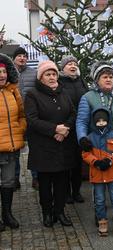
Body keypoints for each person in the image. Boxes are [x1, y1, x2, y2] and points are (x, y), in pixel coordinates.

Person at [76, 61, 113, 209]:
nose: (109, 79)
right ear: (97, 80)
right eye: (105, 77)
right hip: (98, 145)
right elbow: (82, 121)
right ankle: (100, 206)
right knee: (98, 176)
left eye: (111, 77)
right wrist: (82, 138)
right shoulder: (88, 97)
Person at [25, 60, 76, 227]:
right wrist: (55, 129)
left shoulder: (63, 92)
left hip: (63, 145)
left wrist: (66, 129)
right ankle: (47, 213)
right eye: (48, 74)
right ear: (41, 78)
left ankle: (59, 212)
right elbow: (32, 120)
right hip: (43, 147)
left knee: (62, 182)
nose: (52, 77)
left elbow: (72, 113)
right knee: (45, 183)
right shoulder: (33, 95)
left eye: (54, 74)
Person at [82, 108, 113, 237]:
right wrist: (95, 162)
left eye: (103, 120)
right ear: (94, 122)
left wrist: (110, 160)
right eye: (98, 121)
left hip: (112, 174)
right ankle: (102, 221)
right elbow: (85, 154)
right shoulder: (89, 138)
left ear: (108, 121)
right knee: (99, 200)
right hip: (97, 175)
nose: (101, 123)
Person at [0, 53, 26, 231]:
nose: (1, 75)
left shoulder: (13, 91)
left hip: (10, 146)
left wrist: (20, 129)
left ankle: (7, 214)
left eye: (3, 71)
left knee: (9, 182)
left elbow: (22, 115)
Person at [59, 55, 88, 204]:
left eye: (74, 64)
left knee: (78, 161)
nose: (72, 66)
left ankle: (76, 191)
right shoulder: (59, 83)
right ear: (63, 68)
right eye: (69, 64)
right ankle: (66, 193)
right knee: (67, 162)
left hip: (80, 127)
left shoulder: (81, 81)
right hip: (66, 127)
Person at [12, 47, 38, 190]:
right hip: (14, 117)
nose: (22, 58)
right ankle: (14, 178)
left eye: (24, 56)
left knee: (34, 147)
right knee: (14, 148)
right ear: (14, 58)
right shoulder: (8, 73)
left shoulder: (33, 74)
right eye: (19, 56)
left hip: (31, 116)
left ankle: (36, 177)